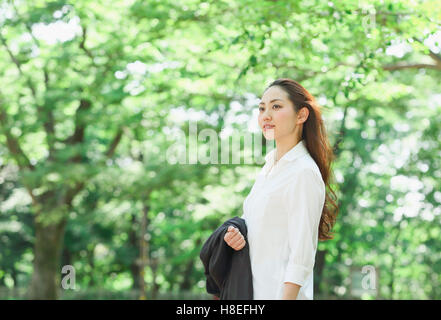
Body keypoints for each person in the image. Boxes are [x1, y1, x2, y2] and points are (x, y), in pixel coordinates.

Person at [224, 78, 338, 300]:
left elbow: (301, 257)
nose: (266, 115)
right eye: (262, 108)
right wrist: (235, 236)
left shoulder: (303, 172)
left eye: (276, 106)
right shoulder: (269, 168)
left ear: (301, 115)